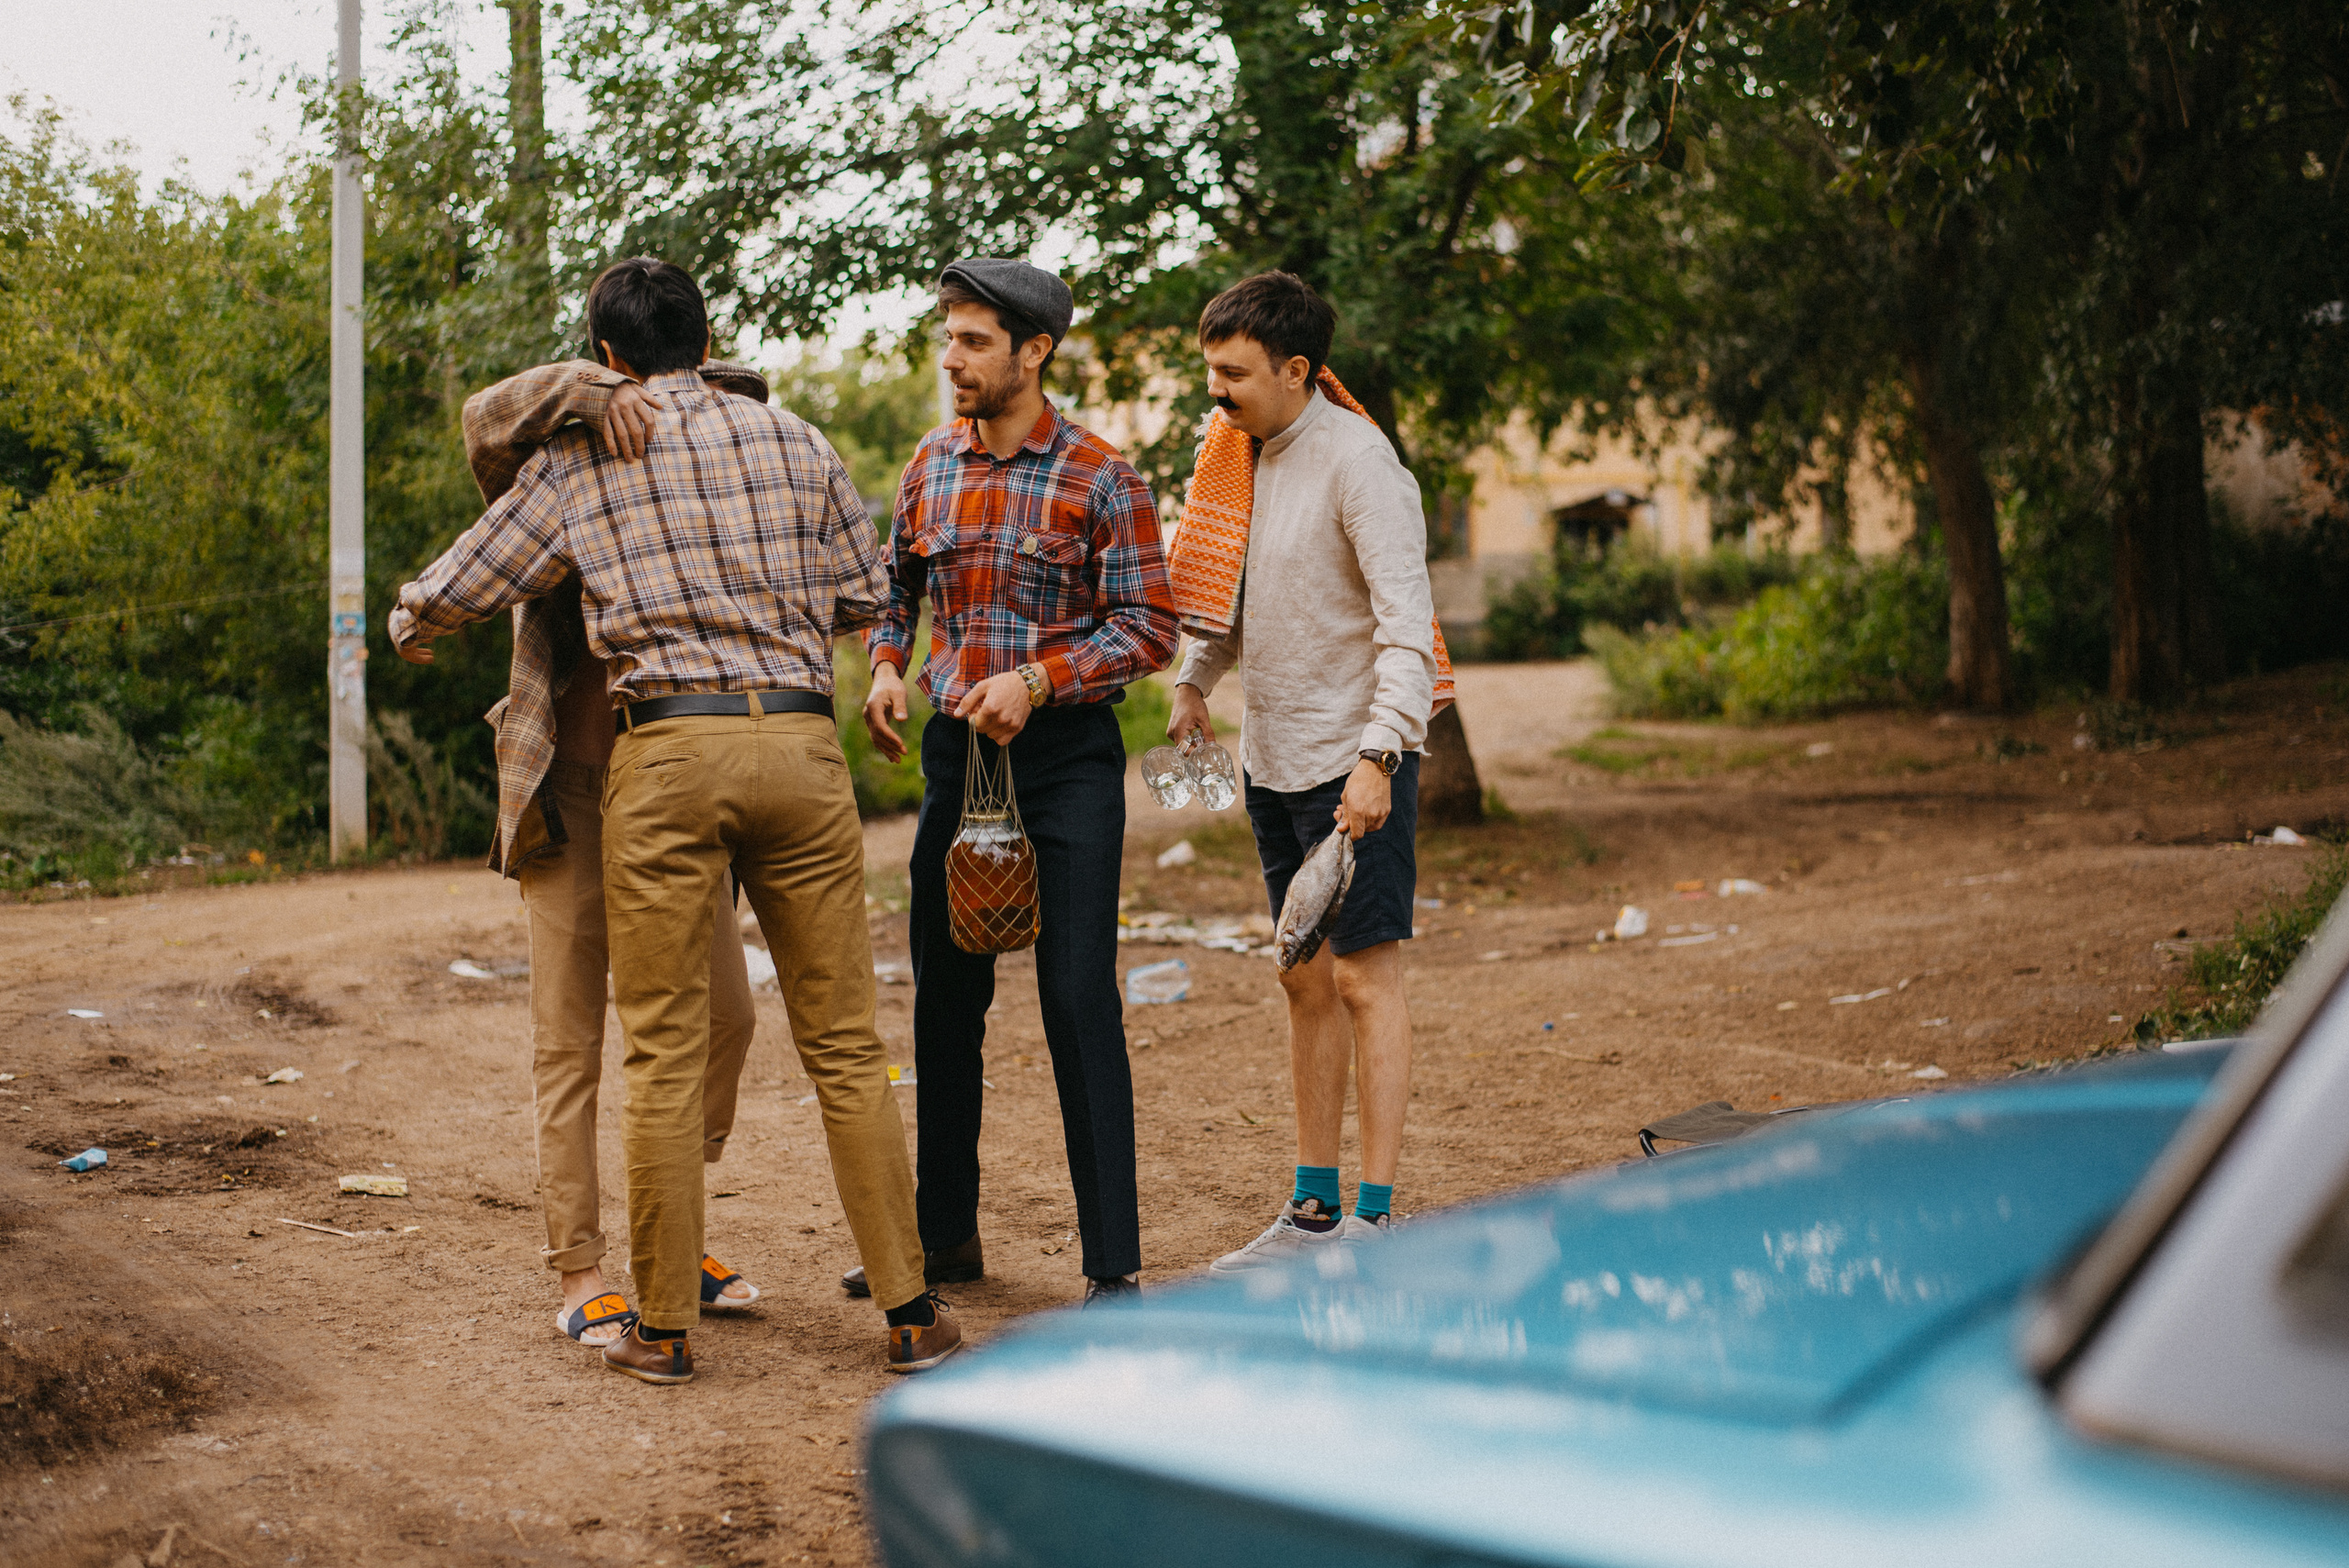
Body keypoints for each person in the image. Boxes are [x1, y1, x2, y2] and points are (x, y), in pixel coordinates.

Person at [390, 257, 954, 1385]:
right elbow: (863, 595)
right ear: (708, 337)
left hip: (670, 751)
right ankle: (912, 1314)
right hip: (800, 744)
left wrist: (414, 615)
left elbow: (468, 576)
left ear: (606, 359)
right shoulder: (794, 439)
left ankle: (659, 1329)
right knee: (846, 1046)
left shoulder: (582, 452)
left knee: (660, 1047)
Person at [853, 257, 1179, 1306]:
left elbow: (1148, 628)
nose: (953, 360)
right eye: (948, 339)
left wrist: (1038, 681)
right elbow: (891, 585)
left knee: (1076, 997)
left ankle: (1111, 1267)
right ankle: (943, 1238)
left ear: (1034, 352)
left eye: (975, 342)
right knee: (945, 1000)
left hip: (1065, 762)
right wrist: (888, 665)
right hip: (957, 758)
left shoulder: (1102, 476)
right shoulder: (926, 465)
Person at [458, 354, 773, 1350]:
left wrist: (691, 387)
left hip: (675, 789)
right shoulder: (556, 463)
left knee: (724, 1015)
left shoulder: (707, 458)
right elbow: (482, 417)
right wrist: (594, 394)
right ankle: (582, 1267)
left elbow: (751, 399)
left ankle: (671, 1238)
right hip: (572, 789)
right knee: (571, 1038)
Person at [1163, 271, 1436, 1272]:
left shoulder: (1361, 462)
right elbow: (1236, 594)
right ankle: (1311, 1210)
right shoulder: (1237, 457)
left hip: (1353, 761)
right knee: (1301, 980)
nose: (1216, 392)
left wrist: (1378, 757)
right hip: (1271, 759)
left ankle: (1373, 1216)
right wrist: (1194, 680)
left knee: (1366, 981)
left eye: (1232, 374)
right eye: (1212, 370)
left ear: (1296, 369)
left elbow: (1409, 625)